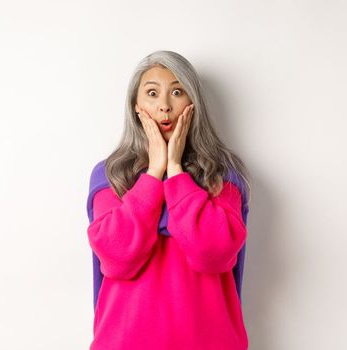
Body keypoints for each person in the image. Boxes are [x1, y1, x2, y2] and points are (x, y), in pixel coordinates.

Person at [86, 50, 253, 349]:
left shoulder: (222, 174)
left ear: (193, 103)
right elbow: (118, 258)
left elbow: (213, 254)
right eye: (152, 93)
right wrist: (153, 173)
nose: (164, 106)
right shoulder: (111, 174)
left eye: (177, 91)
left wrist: (175, 173)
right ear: (136, 106)